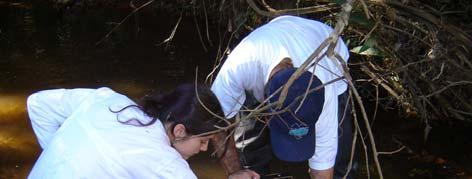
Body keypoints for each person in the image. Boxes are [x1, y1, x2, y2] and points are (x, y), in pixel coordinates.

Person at [211, 15, 356, 178]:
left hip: (328, 51)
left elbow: (323, 170)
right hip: (265, 61)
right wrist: (235, 172)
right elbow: (216, 123)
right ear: (267, 118)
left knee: (338, 160)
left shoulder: (324, 93)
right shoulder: (239, 67)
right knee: (248, 148)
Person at [26, 84, 259, 179]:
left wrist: (62, 155)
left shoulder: (107, 98)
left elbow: (38, 104)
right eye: (204, 141)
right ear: (179, 131)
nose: (205, 149)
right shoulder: (163, 160)